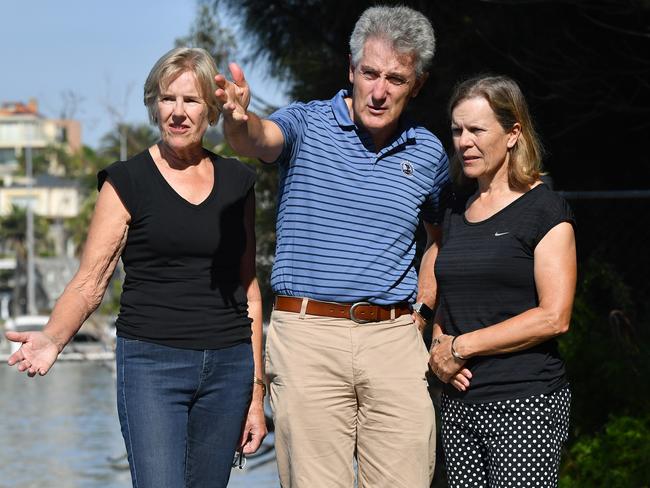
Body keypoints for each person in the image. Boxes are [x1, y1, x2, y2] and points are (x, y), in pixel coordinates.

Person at [5, 47, 267, 488]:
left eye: (191, 101)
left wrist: (256, 393)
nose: (178, 113)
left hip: (228, 367)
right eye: (167, 99)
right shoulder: (127, 180)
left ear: (210, 111)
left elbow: (250, 291)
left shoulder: (238, 183)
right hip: (152, 365)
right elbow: (91, 281)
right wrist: (53, 336)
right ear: (154, 105)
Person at [215, 5, 449, 488]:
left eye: (396, 79)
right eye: (369, 73)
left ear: (418, 84)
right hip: (308, 337)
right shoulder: (305, 124)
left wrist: (423, 315)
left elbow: (438, 240)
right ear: (351, 69)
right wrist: (237, 120)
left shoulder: (428, 153)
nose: (379, 91)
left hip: (394, 338)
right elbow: (256, 138)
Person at [429, 75, 576, 488]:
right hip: (459, 403)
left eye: (477, 130)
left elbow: (554, 317)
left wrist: (461, 346)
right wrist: (440, 346)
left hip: (525, 401)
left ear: (513, 134)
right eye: (457, 130)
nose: (464, 142)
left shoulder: (544, 209)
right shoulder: (455, 209)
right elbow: (450, 295)